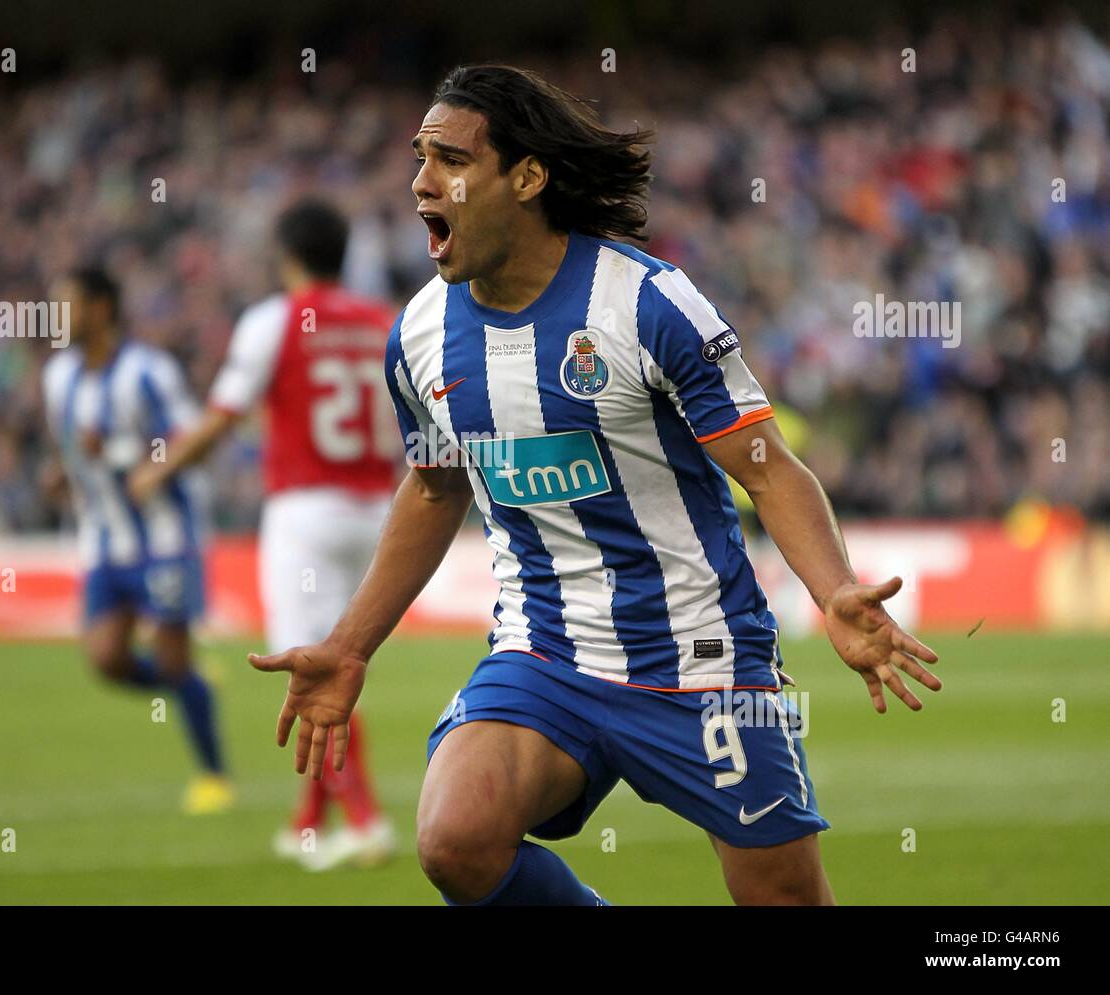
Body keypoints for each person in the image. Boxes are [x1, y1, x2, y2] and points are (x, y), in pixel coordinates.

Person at [249, 65, 942, 905]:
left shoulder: (646, 302)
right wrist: (351, 643)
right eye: (418, 158)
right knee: (454, 840)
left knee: (784, 898)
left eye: (451, 159)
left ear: (528, 177)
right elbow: (436, 490)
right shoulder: (421, 333)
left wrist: (832, 589)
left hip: (704, 656)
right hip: (544, 655)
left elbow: (768, 466)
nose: (421, 182)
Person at [129, 201, 396, 868]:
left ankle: (364, 820)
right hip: (379, 512)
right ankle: (307, 820)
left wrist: (155, 470)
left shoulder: (275, 319)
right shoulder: (383, 321)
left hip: (306, 513)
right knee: (336, 657)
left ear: (286, 255)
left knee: (312, 668)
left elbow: (222, 418)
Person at [42, 267, 231, 815]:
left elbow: (193, 437)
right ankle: (194, 686)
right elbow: (73, 449)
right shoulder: (58, 378)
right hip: (103, 538)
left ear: (101, 308)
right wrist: (60, 473)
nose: (58, 318)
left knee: (171, 656)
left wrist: (151, 468)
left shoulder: (148, 371)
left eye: (68, 305)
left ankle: (213, 776)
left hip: (165, 536)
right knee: (105, 659)